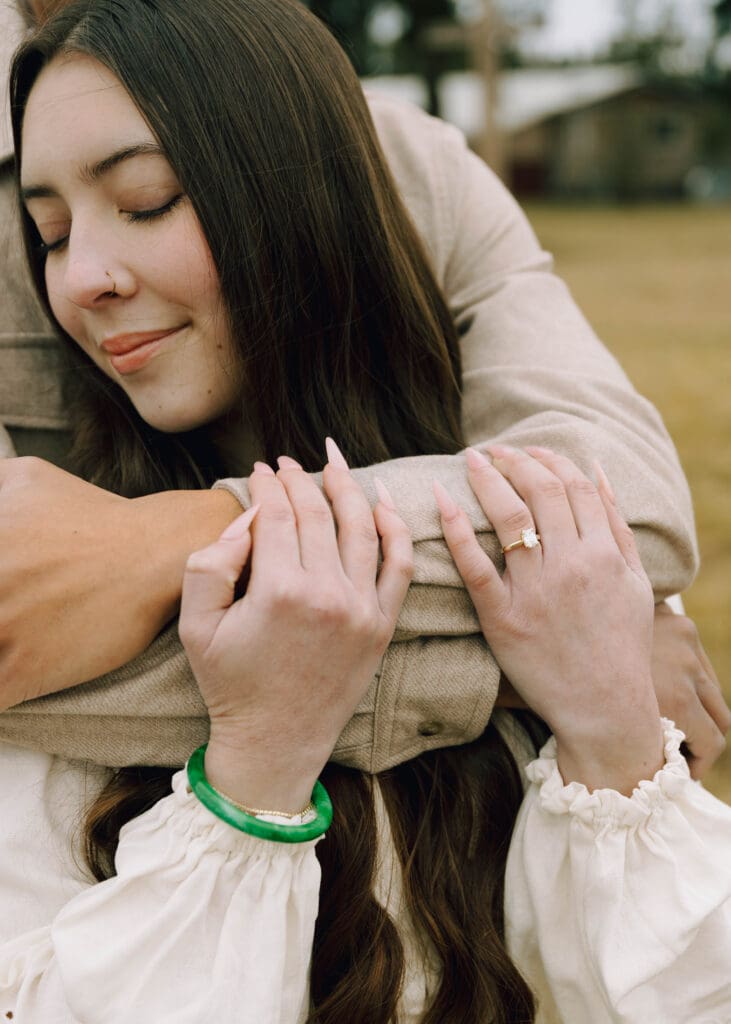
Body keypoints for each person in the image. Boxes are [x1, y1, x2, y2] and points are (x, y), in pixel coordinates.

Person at [1, 4, 730, 1023]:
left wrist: (605, 721)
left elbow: (625, 501)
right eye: (48, 233)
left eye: (148, 199)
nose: (82, 277)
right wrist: (549, 622)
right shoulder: (44, 761)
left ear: (305, 203)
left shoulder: (413, 158)